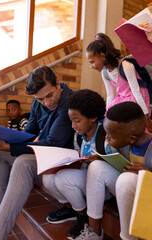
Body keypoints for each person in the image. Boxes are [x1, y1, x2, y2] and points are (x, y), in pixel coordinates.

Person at [0, 65, 74, 240]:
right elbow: (27, 134)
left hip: (62, 158)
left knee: (22, 161)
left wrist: (10, 147)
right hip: (43, 155)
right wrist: (4, 140)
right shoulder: (38, 103)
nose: (47, 102)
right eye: (41, 98)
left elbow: (53, 144)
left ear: (58, 83)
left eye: (49, 95)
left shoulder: (70, 101)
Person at [75, 101, 152, 240]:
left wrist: (148, 174)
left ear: (132, 138)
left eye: (112, 136)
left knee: (126, 179)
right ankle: (94, 232)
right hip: (128, 193)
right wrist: (101, 158)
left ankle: (128, 238)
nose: (107, 138)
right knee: (97, 166)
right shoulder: (124, 145)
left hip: (148, 198)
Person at [42, 89, 106, 240]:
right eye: (71, 121)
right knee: (49, 177)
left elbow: (116, 163)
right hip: (86, 179)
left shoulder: (106, 134)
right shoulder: (78, 136)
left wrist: (100, 159)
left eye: (77, 121)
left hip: (102, 185)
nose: (73, 126)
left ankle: (84, 217)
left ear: (93, 117)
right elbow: (78, 156)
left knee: (63, 178)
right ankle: (77, 211)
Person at [86, 32, 152, 132]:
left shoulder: (125, 65)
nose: (91, 66)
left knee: (124, 120)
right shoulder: (105, 72)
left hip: (137, 97)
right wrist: (106, 115)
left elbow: (136, 90)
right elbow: (110, 96)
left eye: (92, 62)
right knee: (110, 117)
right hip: (122, 97)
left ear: (103, 56)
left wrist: (146, 116)